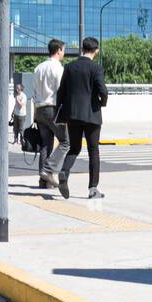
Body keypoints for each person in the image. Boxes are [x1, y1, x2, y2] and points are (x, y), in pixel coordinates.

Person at [56, 36, 109, 200]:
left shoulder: (70, 67)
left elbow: (61, 92)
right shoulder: (96, 68)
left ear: (82, 49)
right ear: (96, 51)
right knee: (93, 151)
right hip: (92, 114)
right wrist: (102, 103)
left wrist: (61, 112)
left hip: (73, 115)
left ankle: (64, 172)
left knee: (74, 148)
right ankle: (93, 190)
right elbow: (103, 90)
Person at [32, 39, 70, 189]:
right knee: (66, 141)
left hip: (39, 109)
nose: (64, 53)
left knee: (45, 144)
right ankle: (48, 170)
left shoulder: (38, 68)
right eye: (63, 50)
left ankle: (44, 181)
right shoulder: (58, 68)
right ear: (59, 50)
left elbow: (34, 91)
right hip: (53, 109)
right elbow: (61, 90)